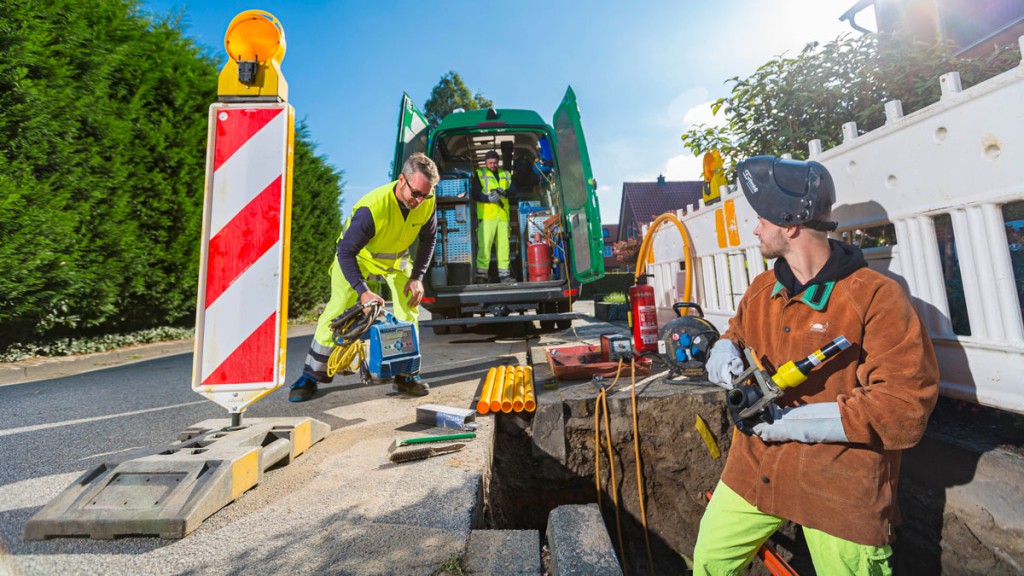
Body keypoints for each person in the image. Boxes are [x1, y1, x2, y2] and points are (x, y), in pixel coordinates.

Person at [693, 156, 939, 575]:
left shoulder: (876, 297)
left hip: (838, 486)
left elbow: (903, 407)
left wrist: (793, 422)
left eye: (761, 219)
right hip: (755, 469)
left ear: (789, 226)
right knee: (711, 564)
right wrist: (724, 350)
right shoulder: (762, 289)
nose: (755, 229)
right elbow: (737, 333)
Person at [288, 153, 439, 402]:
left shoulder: (427, 202)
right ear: (401, 180)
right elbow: (346, 252)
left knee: (409, 308)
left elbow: (429, 239)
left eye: (426, 195)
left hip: (394, 260)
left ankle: (406, 375)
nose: (420, 201)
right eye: (416, 194)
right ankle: (310, 375)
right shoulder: (373, 208)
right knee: (338, 308)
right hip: (356, 258)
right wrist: (362, 290)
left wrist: (417, 277)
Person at [471, 150, 516, 284]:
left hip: (503, 217)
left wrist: (505, 192)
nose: (493, 165)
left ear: (499, 162)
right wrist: (487, 198)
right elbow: (475, 193)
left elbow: (514, 190)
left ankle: (504, 276)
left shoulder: (506, 174)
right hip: (486, 216)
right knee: (484, 246)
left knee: (504, 246)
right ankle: (481, 276)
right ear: (485, 162)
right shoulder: (480, 174)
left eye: (495, 163)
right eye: (490, 163)